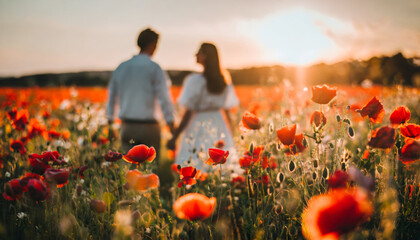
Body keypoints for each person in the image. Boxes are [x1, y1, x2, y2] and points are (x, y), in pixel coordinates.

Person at [167, 43, 239, 172]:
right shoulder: (223, 80)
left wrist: (175, 135)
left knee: (195, 161)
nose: (196, 55)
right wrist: (232, 134)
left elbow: (188, 111)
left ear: (205, 56)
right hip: (219, 123)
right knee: (219, 164)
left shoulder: (194, 81)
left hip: (197, 123)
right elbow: (227, 112)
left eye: (198, 52)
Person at [106, 28, 175, 160]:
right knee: (150, 174)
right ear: (153, 44)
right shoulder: (154, 68)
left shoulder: (122, 67)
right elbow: (164, 98)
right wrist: (171, 124)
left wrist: (110, 124)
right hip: (150, 128)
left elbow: (112, 97)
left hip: (127, 127)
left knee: (129, 173)